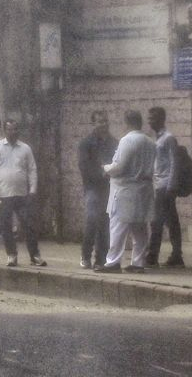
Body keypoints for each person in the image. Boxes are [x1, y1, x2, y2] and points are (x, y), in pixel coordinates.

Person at [97, 110, 157, 273]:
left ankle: (113, 262)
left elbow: (120, 166)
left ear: (127, 123)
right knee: (140, 228)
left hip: (124, 190)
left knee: (118, 226)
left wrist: (106, 167)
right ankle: (138, 262)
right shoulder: (150, 142)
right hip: (143, 189)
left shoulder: (127, 140)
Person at [0, 119, 46, 267]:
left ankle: (35, 256)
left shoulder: (25, 148)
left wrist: (33, 190)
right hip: (1, 195)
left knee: (28, 225)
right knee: (5, 225)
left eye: (15, 129)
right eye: (9, 129)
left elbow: (32, 169)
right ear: (4, 131)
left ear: (18, 131)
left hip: (22, 195)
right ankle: (11, 255)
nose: (13, 132)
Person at [146, 107, 186, 268]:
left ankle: (152, 257)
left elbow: (174, 163)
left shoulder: (168, 138)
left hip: (165, 186)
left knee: (157, 222)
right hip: (158, 186)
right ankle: (176, 256)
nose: (149, 121)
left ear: (162, 119)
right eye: (149, 118)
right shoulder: (156, 138)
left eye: (153, 118)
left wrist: (171, 187)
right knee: (170, 221)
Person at [78, 110, 117, 269]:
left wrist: (107, 171)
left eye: (105, 121)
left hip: (109, 187)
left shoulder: (114, 142)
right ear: (93, 124)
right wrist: (101, 172)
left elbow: (117, 162)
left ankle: (100, 259)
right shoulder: (86, 143)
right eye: (100, 122)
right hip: (93, 187)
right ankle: (85, 255)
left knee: (106, 223)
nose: (104, 124)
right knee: (92, 220)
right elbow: (84, 166)